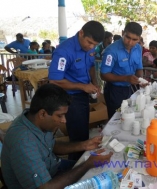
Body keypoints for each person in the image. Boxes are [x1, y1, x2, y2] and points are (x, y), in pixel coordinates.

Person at [1, 83, 113, 189]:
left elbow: (51, 145)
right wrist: (87, 164)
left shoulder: (33, 119)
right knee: (95, 177)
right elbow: (45, 187)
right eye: (60, 116)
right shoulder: (23, 141)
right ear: (43, 114)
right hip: (46, 184)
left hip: (53, 168)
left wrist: (84, 145)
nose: (64, 121)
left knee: (102, 171)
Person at [48, 21, 104, 160]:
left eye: (95, 45)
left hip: (83, 95)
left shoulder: (90, 48)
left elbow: (91, 66)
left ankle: (81, 161)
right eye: (89, 42)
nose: (91, 47)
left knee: (83, 130)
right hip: (70, 97)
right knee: (78, 135)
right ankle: (75, 165)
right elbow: (54, 80)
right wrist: (82, 86)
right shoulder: (64, 51)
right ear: (81, 33)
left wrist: (94, 83)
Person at [100, 22, 144, 119]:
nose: (130, 42)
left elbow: (139, 68)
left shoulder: (138, 48)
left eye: (134, 39)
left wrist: (140, 80)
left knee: (128, 117)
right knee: (115, 119)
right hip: (114, 91)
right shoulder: (111, 51)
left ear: (139, 39)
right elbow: (103, 75)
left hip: (129, 90)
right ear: (123, 32)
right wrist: (126, 78)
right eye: (128, 37)